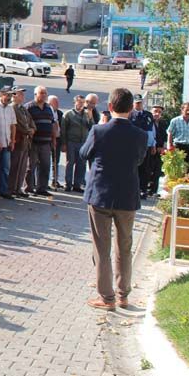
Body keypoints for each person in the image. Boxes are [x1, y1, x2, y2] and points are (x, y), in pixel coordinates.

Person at [81, 87, 148, 311]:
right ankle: (123, 295)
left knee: (102, 248)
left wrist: (100, 125)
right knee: (125, 247)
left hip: (100, 195)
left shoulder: (99, 131)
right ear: (131, 109)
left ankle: (106, 298)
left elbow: (84, 153)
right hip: (127, 196)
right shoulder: (140, 135)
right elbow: (139, 160)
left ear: (110, 107)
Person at [25, 86, 56, 195]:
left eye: (45, 93)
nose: (43, 95)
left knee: (45, 166)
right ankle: (29, 187)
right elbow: (25, 123)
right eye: (41, 93)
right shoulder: (29, 107)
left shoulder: (48, 107)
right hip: (33, 142)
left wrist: (53, 139)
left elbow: (52, 124)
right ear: (35, 94)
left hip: (46, 142)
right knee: (30, 166)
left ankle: (42, 188)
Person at [62, 95, 93, 193]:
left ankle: (77, 184)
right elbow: (63, 130)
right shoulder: (68, 114)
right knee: (70, 163)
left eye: (83, 102)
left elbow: (92, 127)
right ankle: (68, 184)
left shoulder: (86, 114)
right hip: (71, 141)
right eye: (79, 102)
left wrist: (90, 116)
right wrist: (64, 143)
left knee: (81, 164)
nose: (81, 104)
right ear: (75, 102)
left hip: (83, 142)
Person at [8, 89, 35, 197]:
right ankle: (11, 188)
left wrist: (33, 129)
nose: (23, 96)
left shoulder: (23, 108)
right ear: (14, 95)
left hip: (26, 141)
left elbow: (31, 121)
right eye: (20, 94)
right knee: (14, 165)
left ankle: (18, 188)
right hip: (18, 140)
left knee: (22, 166)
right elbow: (18, 124)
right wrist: (28, 131)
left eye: (23, 94)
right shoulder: (13, 108)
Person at [130, 94, 156, 196]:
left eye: (140, 103)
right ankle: (133, 189)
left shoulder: (148, 115)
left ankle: (143, 190)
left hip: (146, 145)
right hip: (133, 146)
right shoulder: (130, 114)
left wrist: (153, 144)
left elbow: (152, 130)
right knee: (134, 168)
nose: (139, 105)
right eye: (137, 103)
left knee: (145, 168)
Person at [146, 105, 168, 198]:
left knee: (157, 170)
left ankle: (154, 190)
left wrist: (164, 147)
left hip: (160, 150)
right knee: (148, 169)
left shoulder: (163, 123)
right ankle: (146, 189)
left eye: (159, 112)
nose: (157, 113)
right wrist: (154, 146)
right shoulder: (148, 122)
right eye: (155, 111)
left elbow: (165, 136)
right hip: (150, 148)